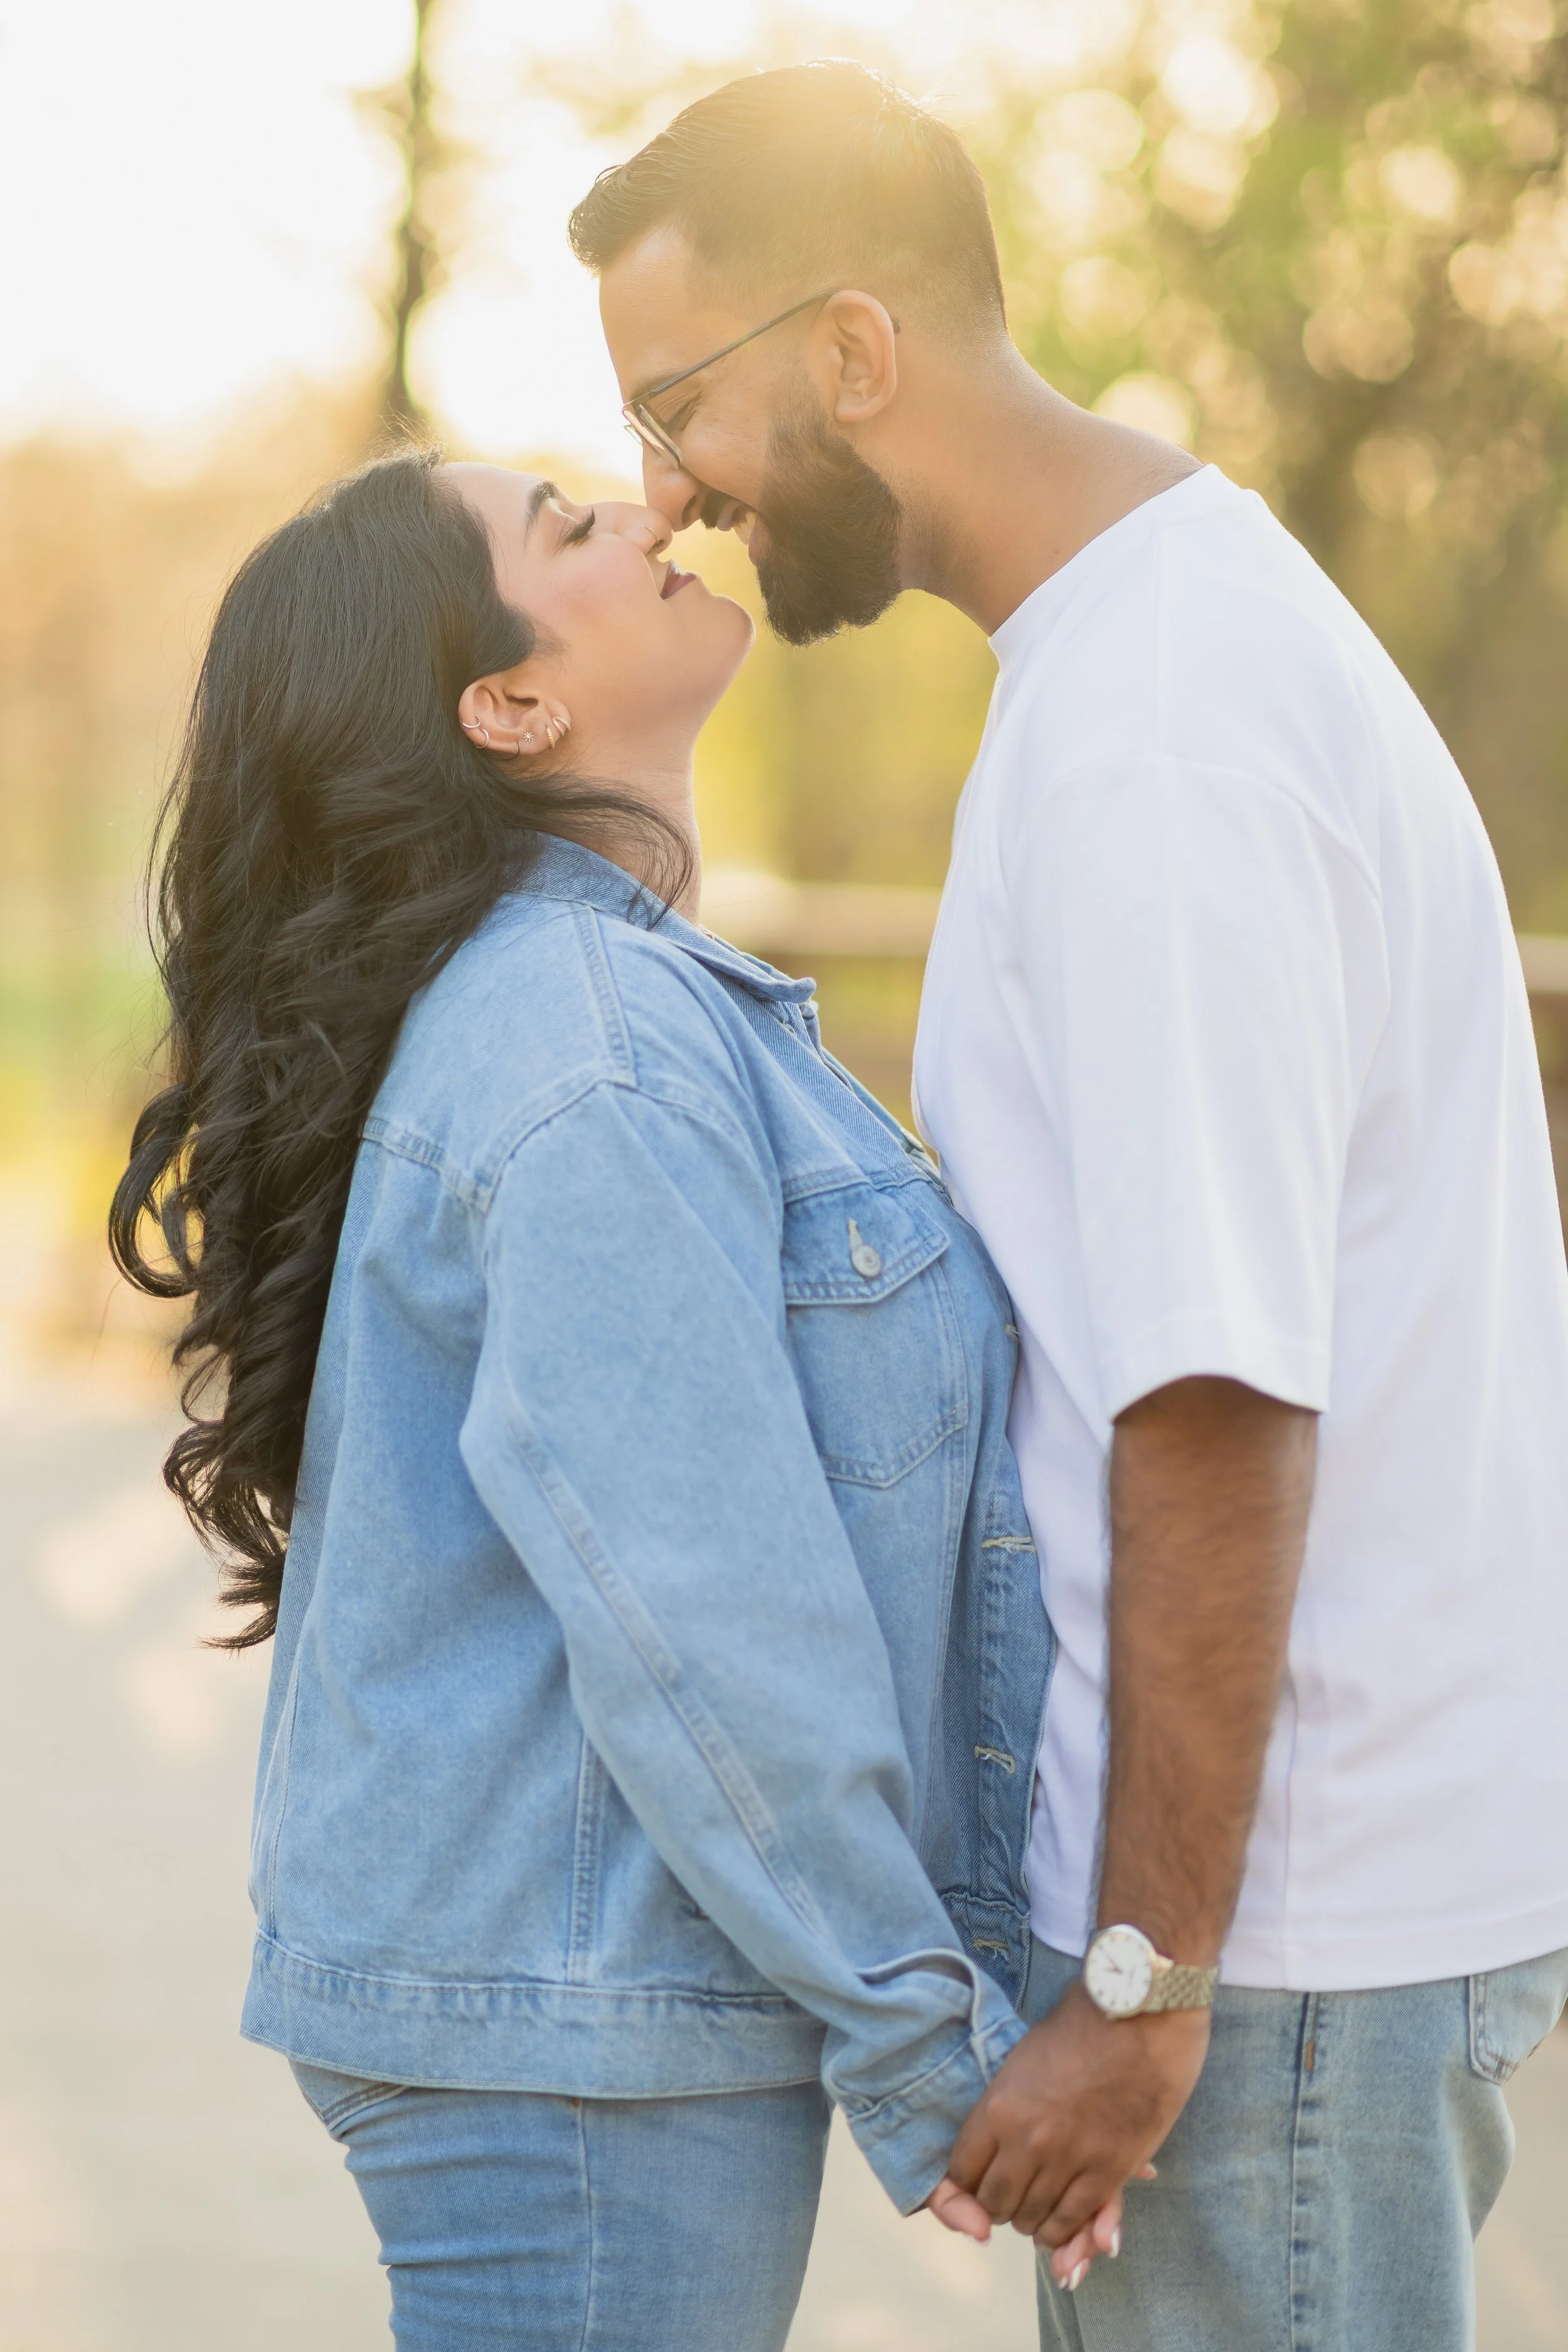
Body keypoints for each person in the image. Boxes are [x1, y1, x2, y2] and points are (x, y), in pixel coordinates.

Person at [574, 60, 1568, 2349]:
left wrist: (1139, 1978)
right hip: (1294, 1932)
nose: (665, 497)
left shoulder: (1155, 735)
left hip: (1276, 1951)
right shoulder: (1150, 642)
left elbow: (1215, 1396)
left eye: (676, 408)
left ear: (847, 355)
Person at [109, 445, 1126, 2351]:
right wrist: (926, 2041)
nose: (653, 517)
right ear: (508, 704)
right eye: (569, 528)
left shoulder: (599, 1003)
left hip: (570, 1999)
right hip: (572, 2024)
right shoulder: (589, 1046)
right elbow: (703, 1601)